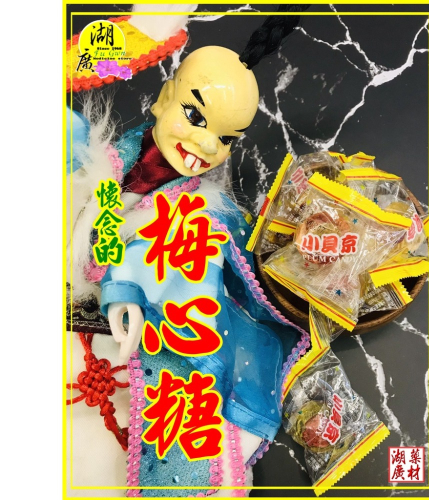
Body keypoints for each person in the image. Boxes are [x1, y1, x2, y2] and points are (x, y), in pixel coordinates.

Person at [67, 7, 310, 497]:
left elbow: (212, 268)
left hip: (135, 343)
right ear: (163, 99)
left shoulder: (204, 208)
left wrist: (127, 286)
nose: (204, 143)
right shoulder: (107, 160)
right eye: (195, 116)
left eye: (225, 138)